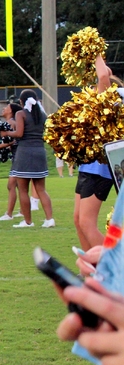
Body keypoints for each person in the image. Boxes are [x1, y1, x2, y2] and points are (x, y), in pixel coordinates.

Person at [74, 54, 119, 249]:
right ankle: (90, 265)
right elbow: (105, 73)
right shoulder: (98, 107)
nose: (93, 90)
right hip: (88, 167)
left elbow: (103, 76)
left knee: (86, 222)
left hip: (100, 170)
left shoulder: (108, 105)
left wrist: (94, 51)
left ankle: (110, 264)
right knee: (78, 220)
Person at [0, 89, 55, 228]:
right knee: (41, 189)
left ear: (21, 101)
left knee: (23, 189)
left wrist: (6, 133)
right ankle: (50, 219)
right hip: (40, 151)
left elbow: (19, 133)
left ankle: (28, 221)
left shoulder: (20, 114)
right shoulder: (42, 115)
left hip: (25, 152)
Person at [0, 103, 25, 221]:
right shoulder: (12, 122)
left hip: (18, 156)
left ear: (11, 111)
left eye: (6, 107)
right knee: (19, 185)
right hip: (17, 155)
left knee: (11, 185)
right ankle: (22, 211)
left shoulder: (11, 122)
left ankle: (9, 214)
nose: (3, 108)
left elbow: (15, 139)